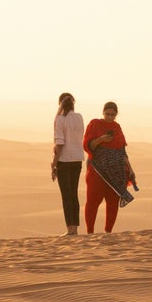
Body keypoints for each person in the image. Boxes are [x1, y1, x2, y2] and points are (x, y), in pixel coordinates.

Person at [81, 100, 136, 234]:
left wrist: (131, 169)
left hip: (117, 172)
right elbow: (88, 145)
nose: (110, 117)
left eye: (112, 115)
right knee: (93, 201)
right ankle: (90, 232)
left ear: (116, 115)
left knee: (112, 202)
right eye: (107, 114)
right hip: (97, 170)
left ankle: (108, 232)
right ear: (103, 112)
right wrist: (101, 139)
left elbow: (123, 151)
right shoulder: (94, 124)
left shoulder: (117, 127)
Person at [51, 92, 85, 235]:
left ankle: (69, 229)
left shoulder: (60, 119)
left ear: (60, 103)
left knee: (66, 195)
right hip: (77, 159)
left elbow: (60, 143)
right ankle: (75, 229)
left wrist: (54, 163)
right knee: (73, 194)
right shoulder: (79, 117)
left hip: (64, 160)